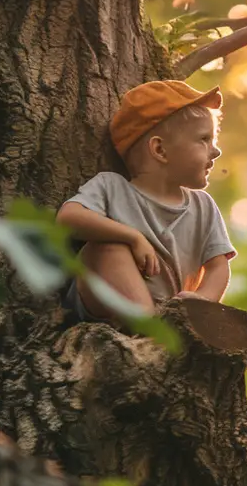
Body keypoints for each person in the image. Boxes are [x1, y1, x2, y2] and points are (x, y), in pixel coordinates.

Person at [57, 80, 236, 323]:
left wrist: (201, 301)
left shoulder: (203, 206)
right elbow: (68, 218)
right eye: (204, 139)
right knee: (108, 247)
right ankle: (151, 329)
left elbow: (218, 267)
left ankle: (160, 331)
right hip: (103, 308)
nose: (216, 152)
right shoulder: (112, 187)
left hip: (171, 312)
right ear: (160, 150)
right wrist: (131, 236)